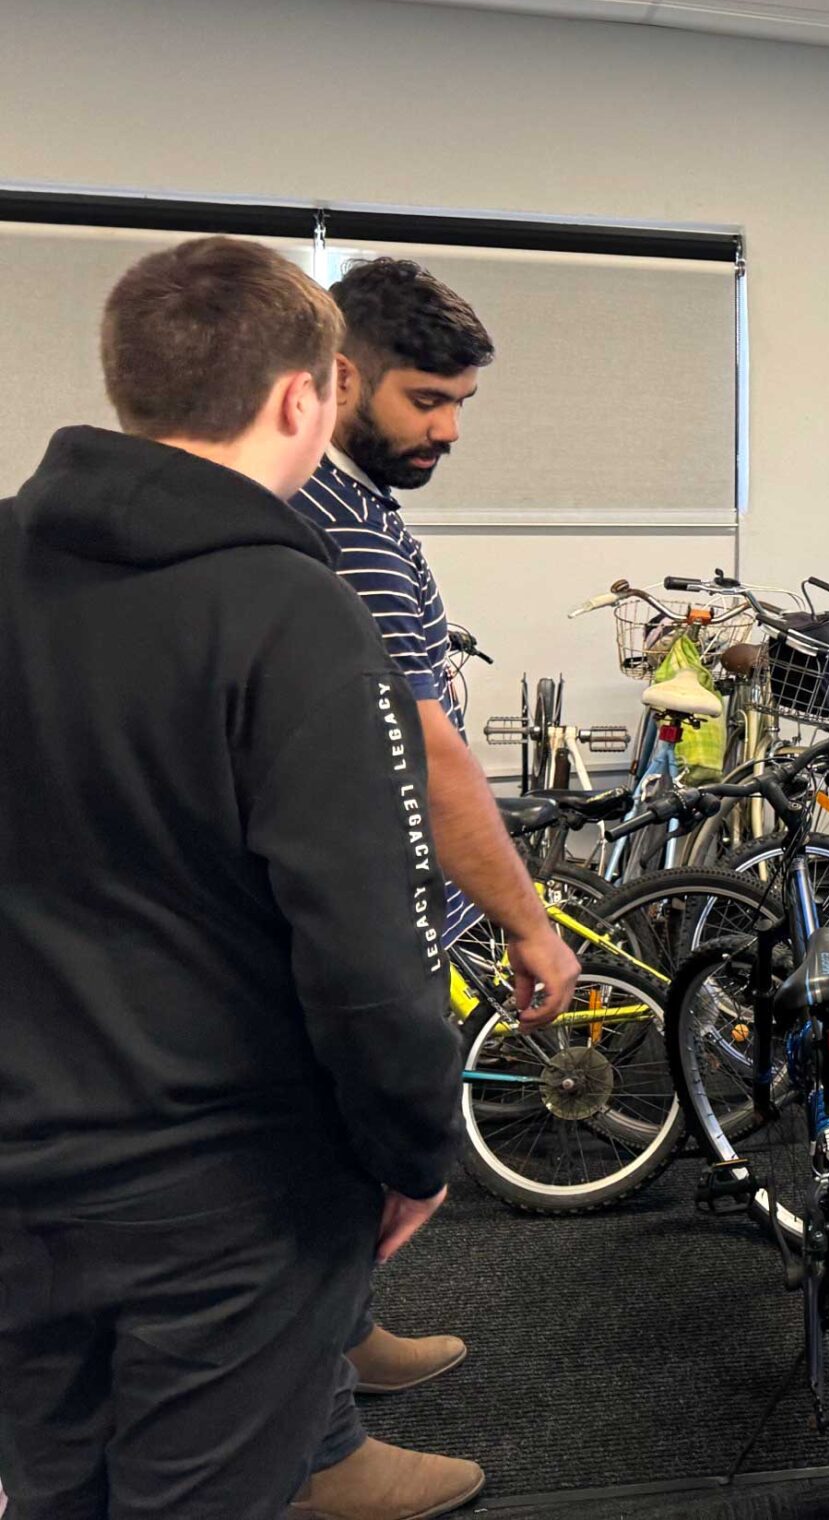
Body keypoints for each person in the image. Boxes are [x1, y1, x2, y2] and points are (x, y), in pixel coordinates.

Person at [0, 237, 473, 1518]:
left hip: (23, 1175)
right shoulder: (292, 611)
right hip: (225, 1198)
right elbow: (366, 950)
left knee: (56, 1493)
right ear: (303, 397)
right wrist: (413, 1148)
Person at [287, 257, 580, 1500]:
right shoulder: (325, 524)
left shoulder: (359, 503)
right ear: (337, 376)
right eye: (425, 400)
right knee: (320, 1174)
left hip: (399, 902)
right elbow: (423, 748)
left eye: (460, 403)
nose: (449, 429)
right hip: (363, 911)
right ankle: (319, 1457)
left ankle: (346, 1341)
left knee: (350, 1171)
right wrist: (526, 918)